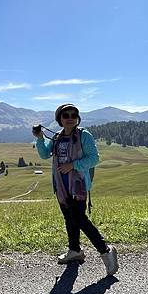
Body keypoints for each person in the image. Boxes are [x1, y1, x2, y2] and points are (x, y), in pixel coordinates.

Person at [33, 103, 119, 276]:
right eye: (66, 115)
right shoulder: (57, 136)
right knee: (69, 218)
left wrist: (73, 165)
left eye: (74, 115)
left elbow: (94, 158)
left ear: (78, 118)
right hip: (61, 187)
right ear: (60, 120)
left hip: (78, 186)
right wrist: (40, 138)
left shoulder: (83, 135)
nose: (70, 118)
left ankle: (106, 251)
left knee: (80, 219)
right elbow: (44, 154)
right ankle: (75, 251)